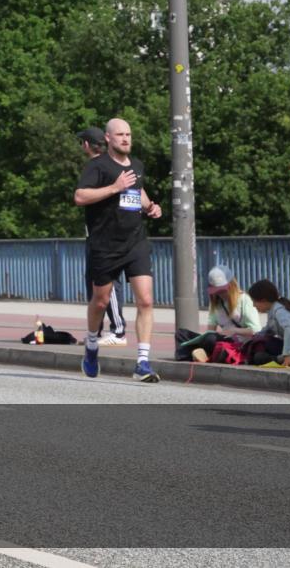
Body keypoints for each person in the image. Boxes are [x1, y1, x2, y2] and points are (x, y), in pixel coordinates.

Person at [74, 118, 163, 382]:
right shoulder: (97, 166)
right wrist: (115, 187)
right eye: (120, 135)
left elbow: (138, 189)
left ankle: (143, 363)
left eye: (129, 134)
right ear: (109, 139)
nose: (126, 139)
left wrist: (150, 207)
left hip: (135, 242)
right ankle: (91, 346)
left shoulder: (136, 165)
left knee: (146, 300)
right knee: (100, 301)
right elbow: (79, 197)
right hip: (105, 246)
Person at [77, 127, 127, 345]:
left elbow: (81, 196)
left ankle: (118, 330)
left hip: (106, 235)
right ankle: (94, 330)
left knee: (107, 283)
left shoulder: (100, 166)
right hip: (100, 234)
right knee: (95, 283)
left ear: (87, 145)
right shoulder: (109, 165)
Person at [175, 266, 262, 363]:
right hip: (222, 339)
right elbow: (210, 330)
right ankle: (201, 354)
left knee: (210, 339)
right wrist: (202, 338)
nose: (220, 294)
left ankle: (197, 354)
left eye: (222, 290)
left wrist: (234, 331)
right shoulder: (215, 303)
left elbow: (256, 330)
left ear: (231, 285)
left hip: (239, 343)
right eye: (217, 291)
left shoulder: (244, 300)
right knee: (181, 334)